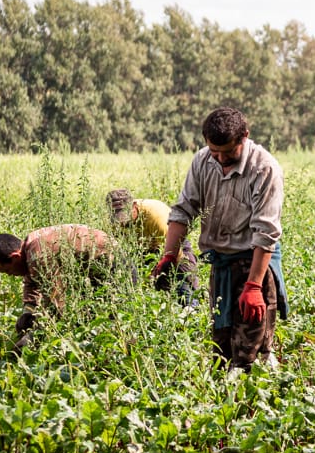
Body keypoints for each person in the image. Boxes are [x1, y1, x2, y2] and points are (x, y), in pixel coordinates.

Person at [157, 107, 286, 371]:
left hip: (254, 261)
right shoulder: (203, 161)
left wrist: (253, 286)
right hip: (221, 263)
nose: (221, 159)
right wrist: (170, 254)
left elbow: (265, 233)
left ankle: (258, 386)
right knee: (222, 341)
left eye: (228, 152)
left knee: (249, 342)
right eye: (214, 151)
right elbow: (184, 210)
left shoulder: (264, 168)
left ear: (244, 137)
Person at [0, 224, 120, 352]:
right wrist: (27, 314)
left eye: (7, 271)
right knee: (88, 317)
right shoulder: (29, 251)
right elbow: (32, 285)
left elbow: (56, 305)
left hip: (115, 265)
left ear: (15, 256)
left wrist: (33, 338)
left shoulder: (39, 255)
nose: (11, 275)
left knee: (115, 323)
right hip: (92, 271)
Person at [106, 189, 199, 305]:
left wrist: (155, 272)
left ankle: (192, 307)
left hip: (172, 242)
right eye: (116, 217)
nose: (121, 223)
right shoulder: (114, 223)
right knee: (154, 286)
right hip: (142, 248)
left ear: (134, 206)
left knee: (183, 278)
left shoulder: (155, 216)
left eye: (124, 215)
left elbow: (174, 253)